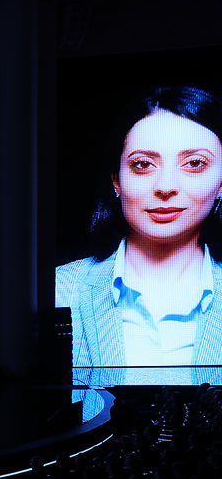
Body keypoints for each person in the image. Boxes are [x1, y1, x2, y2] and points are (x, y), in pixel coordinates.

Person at [57, 85, 222, 386]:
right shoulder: (58, 291)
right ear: (116, 180)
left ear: (221, 182)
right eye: (143, 164)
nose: (166, 186)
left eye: (194, 163)